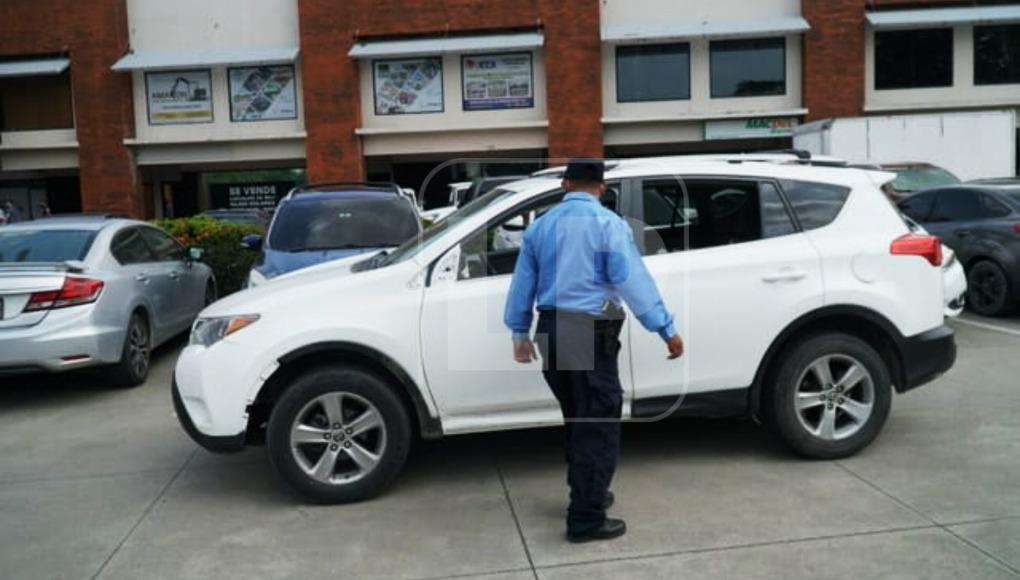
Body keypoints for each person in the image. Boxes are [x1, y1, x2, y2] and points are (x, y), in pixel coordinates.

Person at [504, 157, 684, 543]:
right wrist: (665, 328)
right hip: (588, 330)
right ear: (601, 188)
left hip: (551, 329)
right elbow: (632, 280)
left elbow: (522, 284)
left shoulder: (540, 227)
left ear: (565, 184)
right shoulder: (608, 225)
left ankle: (588, 493)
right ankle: (585, 519)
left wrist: (519, 333)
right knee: (597, 426)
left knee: (577, 418)